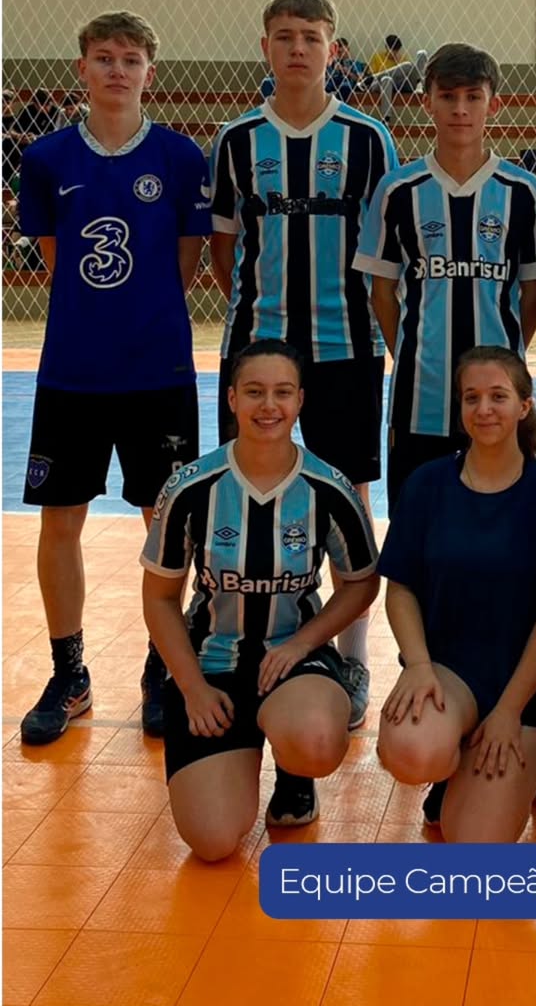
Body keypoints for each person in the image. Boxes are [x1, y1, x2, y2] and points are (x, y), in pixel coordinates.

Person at [209, 0, 396, 751]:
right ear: (265, 47)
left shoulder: (367, 138)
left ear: (332, 49)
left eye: (311, 37)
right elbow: (225, 249)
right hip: (258, 346)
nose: (297, 48)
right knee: (243, 485)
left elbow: (385, 249)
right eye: (284, 36)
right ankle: (231, 638)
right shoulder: (236, 140)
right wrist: (260, 316)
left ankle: (353, 660)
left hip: (347, 346)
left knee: (347, 493)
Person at [17, 11, 210, 746]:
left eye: (131, 59)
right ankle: (69, 673)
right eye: (104, 57)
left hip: (158, 371)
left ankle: (162, 668)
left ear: (149, 73)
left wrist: (139, 321)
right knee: (60, 519)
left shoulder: (181, 157)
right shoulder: (47, 158)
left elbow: (186, 264)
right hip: (73, 371)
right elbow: (55, 260)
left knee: (165, 521)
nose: (117, 70)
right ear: (83, 69)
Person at [141, 341, 380, 852]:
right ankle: (241, 743)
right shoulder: (190, 488)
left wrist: (303, 643)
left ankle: (295, 773)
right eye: (254, 392)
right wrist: (192, 688)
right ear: (231, 398)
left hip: (293, 658)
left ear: (300, 401)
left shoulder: (329, 488)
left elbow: (362, 582)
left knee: (316, 739)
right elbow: (159, 599)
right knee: (213, 841)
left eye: (282, 393)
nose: (268, 405)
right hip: (211, 663)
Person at [376, 347, 536, 840]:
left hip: (521, 684)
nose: (484, 409)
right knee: (411, 750)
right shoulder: (428, 485)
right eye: (472, 398)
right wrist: (418, 665)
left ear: (524, 406)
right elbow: (399, 588)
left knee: (474, 845)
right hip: (449, 673)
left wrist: (510, 710)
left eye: (498, 396)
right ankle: (453, 757)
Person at [355, 42, 536, 512]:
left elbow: (534, 292)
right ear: (428, 102)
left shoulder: (523, 191)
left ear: (493, 104)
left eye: (473, 97)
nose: (460, 109)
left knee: (504, 520)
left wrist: (507, 352)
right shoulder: (398, 189)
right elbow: (381, 292)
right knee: (416, 517)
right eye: (447, 96)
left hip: (498, 396)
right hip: (420, 392)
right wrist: (411, 349)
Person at [365, 33, 429, 123]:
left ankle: (419, 84)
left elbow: (407, 74)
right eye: (392, 50)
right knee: (387, 79)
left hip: (400, 85)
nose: (394, 53)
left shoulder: (402, 58)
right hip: (382, 85)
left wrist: (398, 63)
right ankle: (386, 119)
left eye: (396, 51)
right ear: (386, 47)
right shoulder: (378, 57)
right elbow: (370, 73)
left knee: (414, 60)